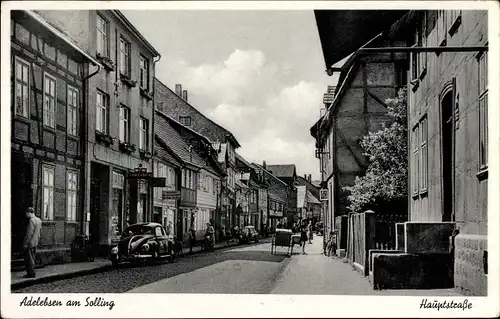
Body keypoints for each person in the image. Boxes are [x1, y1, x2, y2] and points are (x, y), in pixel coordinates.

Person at [23, 207, 42, 278]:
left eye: (26, 214)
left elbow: (29, 234)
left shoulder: (31, 221)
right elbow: (40, 232)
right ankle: (31, 272)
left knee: (29, 259)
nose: (26, 215)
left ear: (28, 213)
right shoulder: (39, 220)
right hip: (35, 242)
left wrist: (25, 244)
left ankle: (30, 273)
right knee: (32, 258)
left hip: (30, 243)